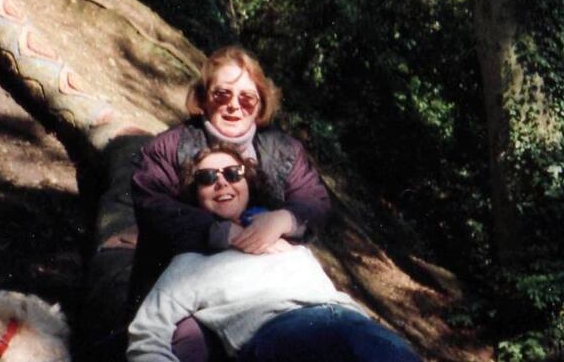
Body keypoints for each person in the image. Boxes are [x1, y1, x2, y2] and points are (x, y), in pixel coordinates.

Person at [127, 145, 421, 362]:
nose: (222, 182)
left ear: (247, 184)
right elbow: (146, 333)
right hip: (281, 335)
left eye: (233, 173)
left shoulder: (290, 246)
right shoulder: (191, 263)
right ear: (195, 195)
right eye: (206, 177)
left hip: (356, 325)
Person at [130, 46, 331, 360]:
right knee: (186, 341)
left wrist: (283, 220)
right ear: (203, 97)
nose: (234, 106)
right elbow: (152, 205)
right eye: (222, 95)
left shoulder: (284, 150)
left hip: (259, 292)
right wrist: (219, 232)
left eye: (246, 98)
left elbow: (314, 201)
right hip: (182, 289)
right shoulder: (168, 147)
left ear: (260, 103)